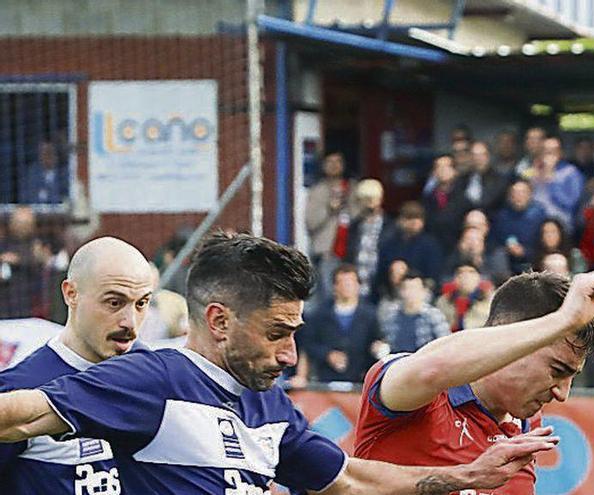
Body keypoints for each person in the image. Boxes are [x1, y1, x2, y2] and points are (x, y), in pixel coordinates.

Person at [0, 232, 557, 494]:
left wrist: (468, 476)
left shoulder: (268, 403)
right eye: (275, 334)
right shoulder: (152, 378)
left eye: (142, 303)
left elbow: (348, 478)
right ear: (218, 321)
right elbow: (20, 415)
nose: (289, 354)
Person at [354, 269, 594, 494]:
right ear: (511, 342)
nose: (562, 393)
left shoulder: (525, 425)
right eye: (557, 370)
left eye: (572, 376)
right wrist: (562, 320)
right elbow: (432, 369)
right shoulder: (411, 389)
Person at [0, 237, 153, 494]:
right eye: (114, 303)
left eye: (141, 303)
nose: (131, 322)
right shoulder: (18, 391)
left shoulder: (155, 377)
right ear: (71, 294)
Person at [299, 264, 385, 383]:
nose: (347, 287)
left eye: (350, 283)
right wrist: (327, 355)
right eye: (342, 283)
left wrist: (377, 348)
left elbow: (378, 341)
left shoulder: (370, 315)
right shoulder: (319, 314)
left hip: (359, 381)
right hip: (326, 380)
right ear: (335, 286)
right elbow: (308, 344)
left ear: (358, 285)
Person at [305, 152, 355, 302]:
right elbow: (311, 223)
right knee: (329, 296)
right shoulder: (318, 191)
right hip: (328, 253)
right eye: (330, 162)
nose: (334, 166)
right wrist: (329, 209)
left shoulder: (352, 188)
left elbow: (359, 216)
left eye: (338, 161)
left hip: (352, 250)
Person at [380, 271, 450, 354]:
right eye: (406, 288)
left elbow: (445, 344)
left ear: (424, 291)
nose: (411, 292)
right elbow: (387, 342)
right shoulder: (391, 316)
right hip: (398, 362)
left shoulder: (433, 316)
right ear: (400, 292)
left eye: (415, 288)